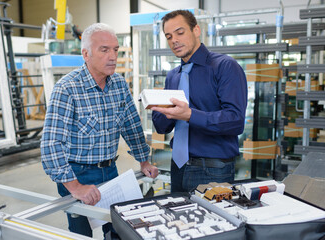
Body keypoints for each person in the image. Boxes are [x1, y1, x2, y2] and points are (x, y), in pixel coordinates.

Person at [41, 23, 158, 239]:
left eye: (115, 49)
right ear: (86, 54)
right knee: (81, 234)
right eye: (104, 50)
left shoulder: (119, 85)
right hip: (77, 174)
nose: (113, 56)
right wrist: (75, 187)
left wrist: (144, 162)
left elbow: (131, 126)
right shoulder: (67, 89)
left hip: (110, 171)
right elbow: (51, 144)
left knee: (117, 231)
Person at [152, 10, 247, 193]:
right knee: (177, 220)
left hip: (213, 169)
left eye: (180, 33)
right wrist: (160, 108)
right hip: (178, 166)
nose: (174, 40)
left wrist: (189, 115)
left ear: (196, 30)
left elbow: (235, 121)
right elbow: (162, 128)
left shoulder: (225, 67)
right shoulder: (173, 76)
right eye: (169, 36)